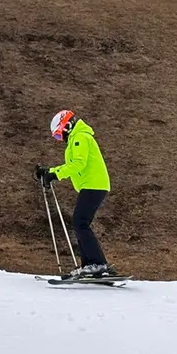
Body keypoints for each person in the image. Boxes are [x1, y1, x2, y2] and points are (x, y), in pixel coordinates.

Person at [35, 109, 116, 278]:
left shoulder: (80, 137)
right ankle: (90, 265)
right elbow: (74, 165)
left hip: (94, 185)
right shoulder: (77, 138)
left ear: (67, 126)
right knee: (80, 223)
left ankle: (98, 264)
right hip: (93, 185)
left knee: (80, 223)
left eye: (59, 135)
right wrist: (50, 171)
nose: (60, 139)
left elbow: (78, 164)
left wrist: (54, 174)